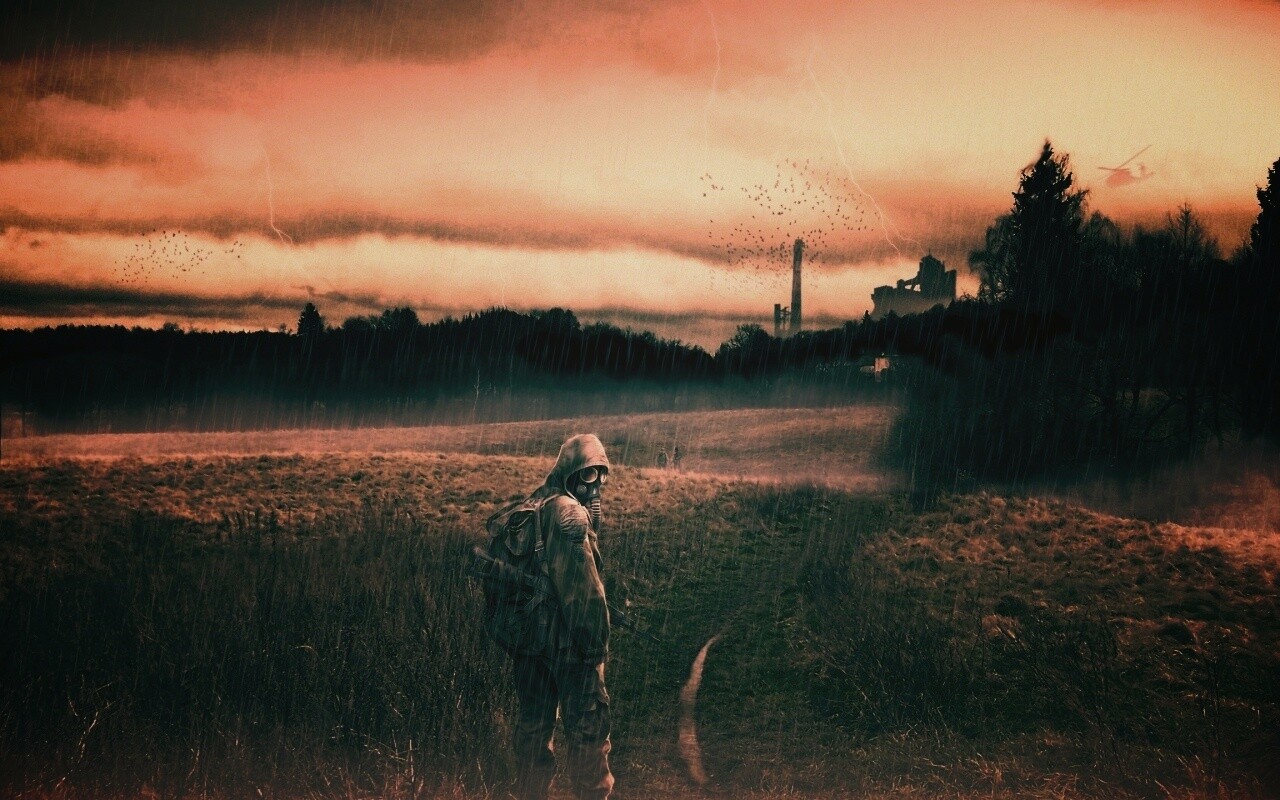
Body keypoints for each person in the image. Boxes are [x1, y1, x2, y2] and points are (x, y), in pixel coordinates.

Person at [494, 434, 615, 800]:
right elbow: (584, 594)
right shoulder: (569, 513)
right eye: (588, 475)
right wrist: (595, 648)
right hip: (568, 646)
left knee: (534, 726)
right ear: (570, 472)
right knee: (588, 731)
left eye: (600, 475)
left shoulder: (533, 504)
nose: (595, 485)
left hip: (529, 643)